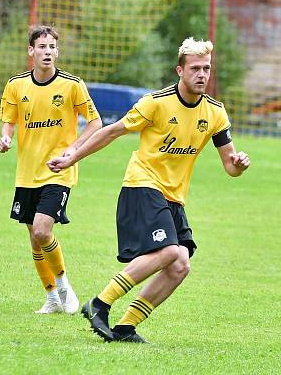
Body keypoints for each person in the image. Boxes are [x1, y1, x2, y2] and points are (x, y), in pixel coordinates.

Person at [47, 37, 250, 343]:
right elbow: (113, 131)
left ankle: (126, 326)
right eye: (195, 68)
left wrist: (239, 164)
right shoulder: (156, 103)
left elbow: (230, 167)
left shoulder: (215, 113)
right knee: (169, 251)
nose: (202, 74)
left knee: (180, 265)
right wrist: (72, 156)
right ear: (179, 70)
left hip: (173, 197)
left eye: (206, 68)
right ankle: (99, 304)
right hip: (142, 185)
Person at [0, 25, 102, 314]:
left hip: (59, 170)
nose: (48, 52)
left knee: (43, 231)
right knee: (33, 236)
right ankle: (52, 297)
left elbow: (95, 123)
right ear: (31, 51)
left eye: (52, 47)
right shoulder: (16, 85)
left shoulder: (72, 85)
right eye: (42, 47)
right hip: (27, 172)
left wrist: (74, 149)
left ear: (57, 51)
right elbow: (9, 119)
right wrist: (5, 136)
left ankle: (64, 285)